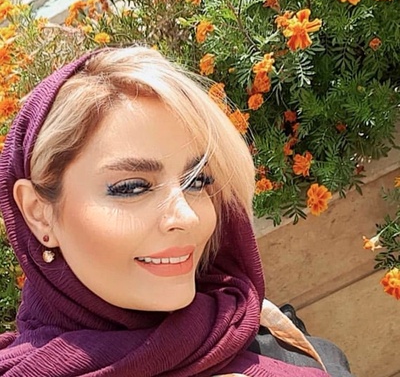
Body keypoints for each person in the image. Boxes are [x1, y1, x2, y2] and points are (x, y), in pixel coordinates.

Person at [0, 46, 353, 376]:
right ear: (39, 212)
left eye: (197, 181)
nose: (187, 217)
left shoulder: (287, 347)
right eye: (131, 187)